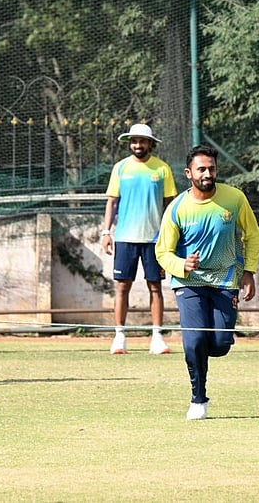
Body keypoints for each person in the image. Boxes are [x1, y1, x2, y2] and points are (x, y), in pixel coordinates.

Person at [155, 144, 259, 420]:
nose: (207, 173)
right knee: (194, 341)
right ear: (189, 173)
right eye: (201, 169)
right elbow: (162, 251)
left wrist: (248, 271)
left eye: (211, 168)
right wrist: (182, 264)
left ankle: (208, 350)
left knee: (219, 345)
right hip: (189, 281)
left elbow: (253, 234)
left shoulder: (235, 198)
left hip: (226, 279)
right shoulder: (176, 208)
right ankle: (198, 398)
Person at [101, 123, 177, 355]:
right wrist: (106, 232)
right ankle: (119, 337)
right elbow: (112, 201)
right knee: (122, 287)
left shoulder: (162, 169)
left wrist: (173, 235)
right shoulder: (121, 168)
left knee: (155, 286)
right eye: (134, 141)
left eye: (142, 141)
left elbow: (171, 204)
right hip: (125, 237)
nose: (137, 145)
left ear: (150, 143)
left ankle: (157, 337)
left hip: (155, 240)